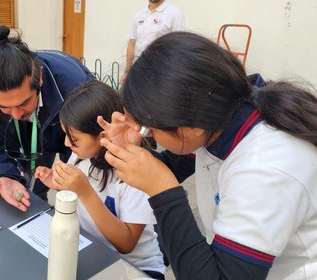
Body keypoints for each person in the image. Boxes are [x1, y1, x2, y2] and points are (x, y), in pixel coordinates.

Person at [99, 32, 317, 279]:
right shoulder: (219, 116)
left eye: (152, 129)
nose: (150, 135)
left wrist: (163, 192)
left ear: (192, 127)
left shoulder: (264, 168)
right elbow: (168, 169)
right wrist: (133, 149)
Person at [34, 80, 166, 279]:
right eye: (66, 135)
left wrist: (84, 191)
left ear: (102, 136)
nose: (66, 143)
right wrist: (60, 185)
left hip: (136, 269)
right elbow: (81, 200)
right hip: (91, 253)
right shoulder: (81, 156)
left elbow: (126, 244)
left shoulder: (134, 171)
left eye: (74, 138)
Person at [0, 25, 94, 212]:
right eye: (4, 107)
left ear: (40, 78)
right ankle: (40, 202)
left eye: (23, 103)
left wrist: (75, 182)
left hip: (70, 126)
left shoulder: (74, 86)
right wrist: (6, 176)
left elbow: (88, 145)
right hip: (33, 128)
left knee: (72, 183)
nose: (16, 114)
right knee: (33, 172)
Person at [121, 0, 185, 85]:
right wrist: (127, 71)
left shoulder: (175, 13)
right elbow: (132, 43)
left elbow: (179, 46)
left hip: (161, 74)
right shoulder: (139, 14)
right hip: (138, 71)